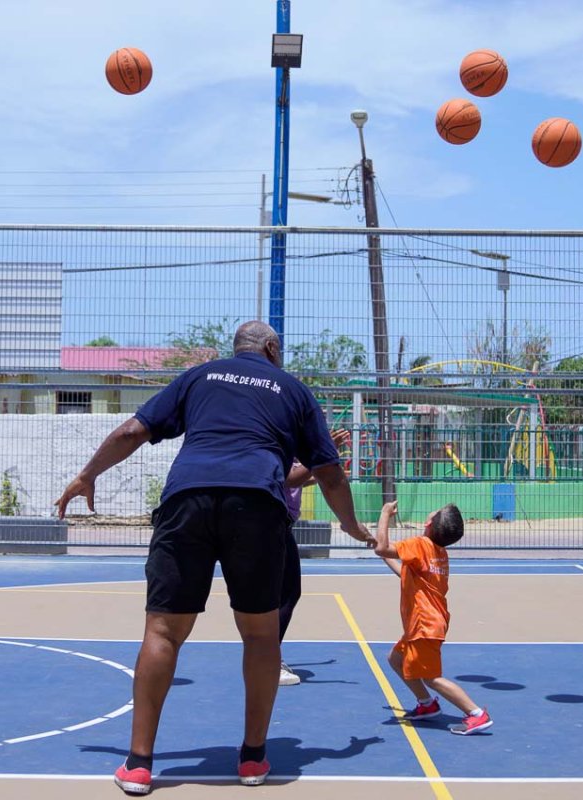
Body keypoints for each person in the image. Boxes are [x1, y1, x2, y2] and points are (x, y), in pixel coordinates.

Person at [55, 320, 373, 795]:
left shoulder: (200, 376)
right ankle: (251, 759)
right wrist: (349, 523)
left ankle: (139, 764)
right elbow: (329, 472)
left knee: (163, 631)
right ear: (270, 348)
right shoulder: (293, 389)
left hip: (189, 499)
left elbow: (132, 430)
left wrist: (87, 474)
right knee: (261, 635)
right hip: (257, 506)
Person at [373, 499, 492, 736]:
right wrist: (380, 549)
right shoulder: (437, 552)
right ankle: (427, 704)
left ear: (428, 523)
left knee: (431, 677)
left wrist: (385, 514)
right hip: (425, 623)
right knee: (396, 659)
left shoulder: (420, 544)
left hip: (424, 625)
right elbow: (403, 571)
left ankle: (477, 714)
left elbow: (382, 547)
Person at [278, 429, 349, 687]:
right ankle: (269, 659)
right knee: (287, 593)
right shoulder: (281, 445)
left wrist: (319, 470)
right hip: (273, 521)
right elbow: (289, 479)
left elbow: (300, 478)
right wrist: (322, 456)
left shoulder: (294, 448)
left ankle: (264, 654)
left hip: (278, 523)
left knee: (282, 593)